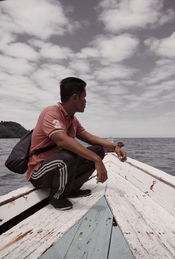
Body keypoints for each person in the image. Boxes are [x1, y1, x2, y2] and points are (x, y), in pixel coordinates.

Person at [27, 77, 127, 210]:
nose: (86, 101)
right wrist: (96, 160)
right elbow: (62, 140)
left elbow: (89, 136)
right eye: (84, 97)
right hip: (39, 172)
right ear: (75, 98)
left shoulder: (72, 119)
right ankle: (57, 197)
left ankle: (71, 189)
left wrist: (114, 147)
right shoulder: (50, 112)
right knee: (67, 157)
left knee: (98, 150)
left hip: (61, 167)